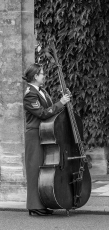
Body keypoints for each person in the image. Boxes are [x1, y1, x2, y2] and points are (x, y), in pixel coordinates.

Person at [23, 63, 71, 216]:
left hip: (46, 133)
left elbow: (51, 111)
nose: (44, 75)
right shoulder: (30, 93)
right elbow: (42, 113)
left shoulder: (42, 90)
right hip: (35, 134)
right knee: (34, 168)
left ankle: (42, 203)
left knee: (43, 169)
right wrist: (60, 103)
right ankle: (34, 206)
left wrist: (63, 102)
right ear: (35, 76)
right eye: (42, 73)